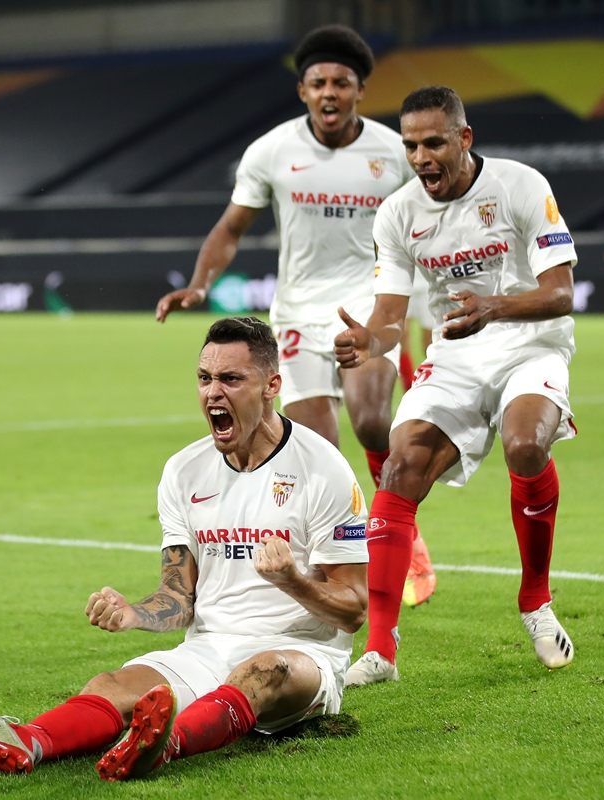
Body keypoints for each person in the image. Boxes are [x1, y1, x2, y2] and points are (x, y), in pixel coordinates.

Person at [0, 317, 370, 781]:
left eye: (231, 379)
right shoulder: (184, 471)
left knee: (264, 671)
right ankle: (25, 741)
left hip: (299, 657)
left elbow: (353, 610)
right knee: (113, 684)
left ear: (272, 384)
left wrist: (292, 581)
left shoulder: (324, 471)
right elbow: (178, 598)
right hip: (209, 649)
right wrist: (135, 613)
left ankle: (161, 744)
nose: (213, 393)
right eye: (204, 378)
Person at [153, 25, 436, 605]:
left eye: (341, 82)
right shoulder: (273, 151)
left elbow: (431, 220)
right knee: (315, 450)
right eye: (318, 83)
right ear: (302, 91)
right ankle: (357, 546)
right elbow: (232, 227)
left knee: (369, 421)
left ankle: (403, 521)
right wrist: (200, 284)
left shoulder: (392, 151)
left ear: (360, 90)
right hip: (299, 313)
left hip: (369, 300)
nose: (329, 92)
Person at [334, 86, 578, 686]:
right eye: (411, 145)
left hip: (531, 345)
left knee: (525, 446)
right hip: (458, 355)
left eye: (433, 143)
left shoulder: (521, 186)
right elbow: (391, 314)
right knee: (400, 467)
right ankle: (381, 651)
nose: (421, 157)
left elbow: (562, 293)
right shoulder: (398, 214)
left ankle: (536, 603)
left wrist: (494, 307)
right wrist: (370, 339)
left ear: (463, 139)